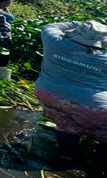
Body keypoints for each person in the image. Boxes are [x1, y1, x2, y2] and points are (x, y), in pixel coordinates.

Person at [35, 20, 107, 160]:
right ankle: (99, 166)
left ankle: (67, 156)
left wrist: (77, 23)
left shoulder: (54, 42)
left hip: (48, 95)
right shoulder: (104, 57)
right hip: (91, 105)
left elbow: (49, 26)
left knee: (67, 125)